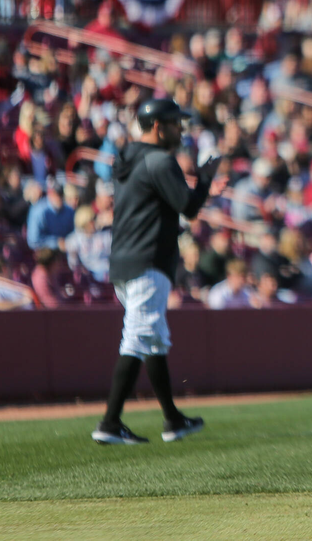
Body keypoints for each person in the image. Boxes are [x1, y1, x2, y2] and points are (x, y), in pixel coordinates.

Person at [93, 97, 224, 446]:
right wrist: (206, 180)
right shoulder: (160, 160)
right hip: (148, 258)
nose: (180, 130)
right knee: (138, 337)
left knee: (153, 338)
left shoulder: (128, 156)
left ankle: (172, 420)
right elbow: (189, 207)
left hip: (124, 259)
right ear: (157, 126)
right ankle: (109, 422)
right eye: (174, 124)